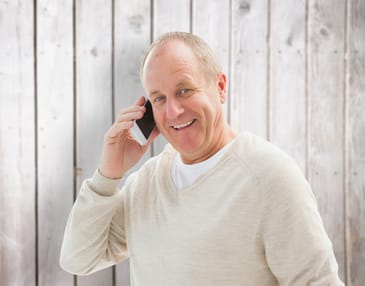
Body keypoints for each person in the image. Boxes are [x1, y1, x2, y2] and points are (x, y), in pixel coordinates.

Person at [60, 32, 343, 285]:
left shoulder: (269, 176)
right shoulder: (146, 183)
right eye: (158, 98)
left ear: (220, 86)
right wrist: (108, 175)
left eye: (184, 90)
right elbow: (79, 260)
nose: (173, 111)